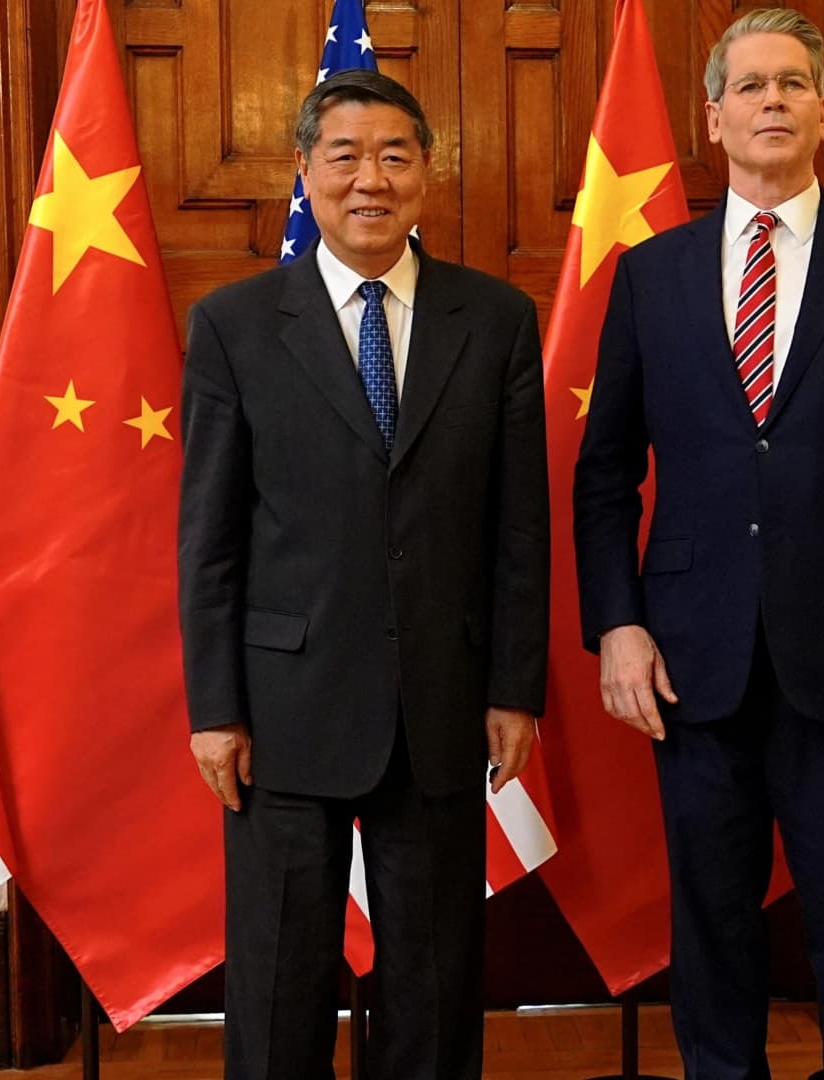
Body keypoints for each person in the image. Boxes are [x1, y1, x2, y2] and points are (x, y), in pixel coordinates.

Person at [572, 9, 824, 1079]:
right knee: (710, 925)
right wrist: (617, 624)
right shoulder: (650, 274)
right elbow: (605, 472)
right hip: (688, 657)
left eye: (793, 84)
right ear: (713, 118)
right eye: (749, 86)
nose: (772, 102)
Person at [176, 69, 549, 1080]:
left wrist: (515, 687)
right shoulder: (235, 325)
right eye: (345, 157)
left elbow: (520, 526)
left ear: (428, 170)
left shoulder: (496, 320)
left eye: (393, 156)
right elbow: (209, 537)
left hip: (441, 701)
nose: (370, 180)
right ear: (306, 171)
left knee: (433, 982)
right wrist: (215, 708)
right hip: (281, 710)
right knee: (279, 981)